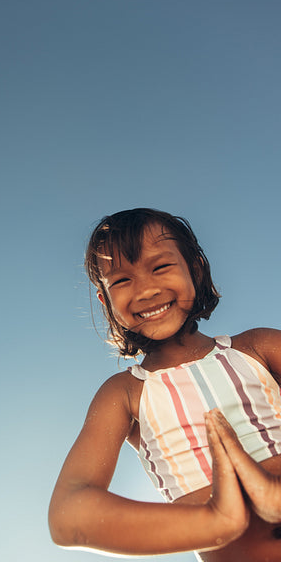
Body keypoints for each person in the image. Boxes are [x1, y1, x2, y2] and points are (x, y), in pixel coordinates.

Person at [49, 208, 281, 561]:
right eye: (122, 281)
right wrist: (218, 521)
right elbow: (69, 515)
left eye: (160, 267)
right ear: (105, 301)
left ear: (196, 268)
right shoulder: (125, 394)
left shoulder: (258, 346)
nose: (145, 290)